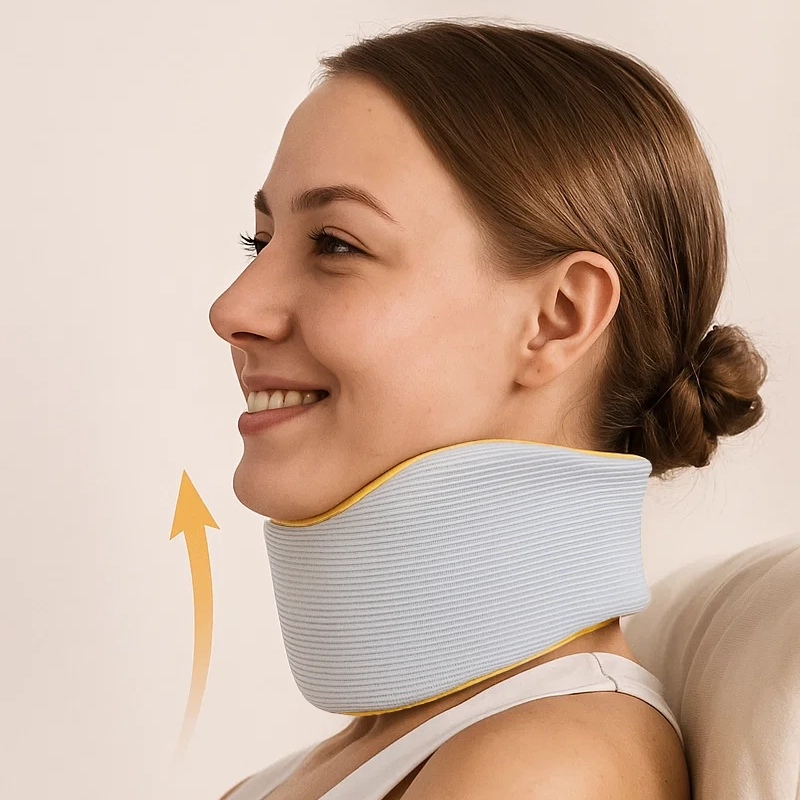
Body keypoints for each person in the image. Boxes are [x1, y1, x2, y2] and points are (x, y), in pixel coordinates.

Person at [208, 18, 768, 800]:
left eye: (335, 243)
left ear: (559, 318)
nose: (233, 308)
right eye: (259, 242)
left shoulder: (548, 767)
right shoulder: (320, 774)